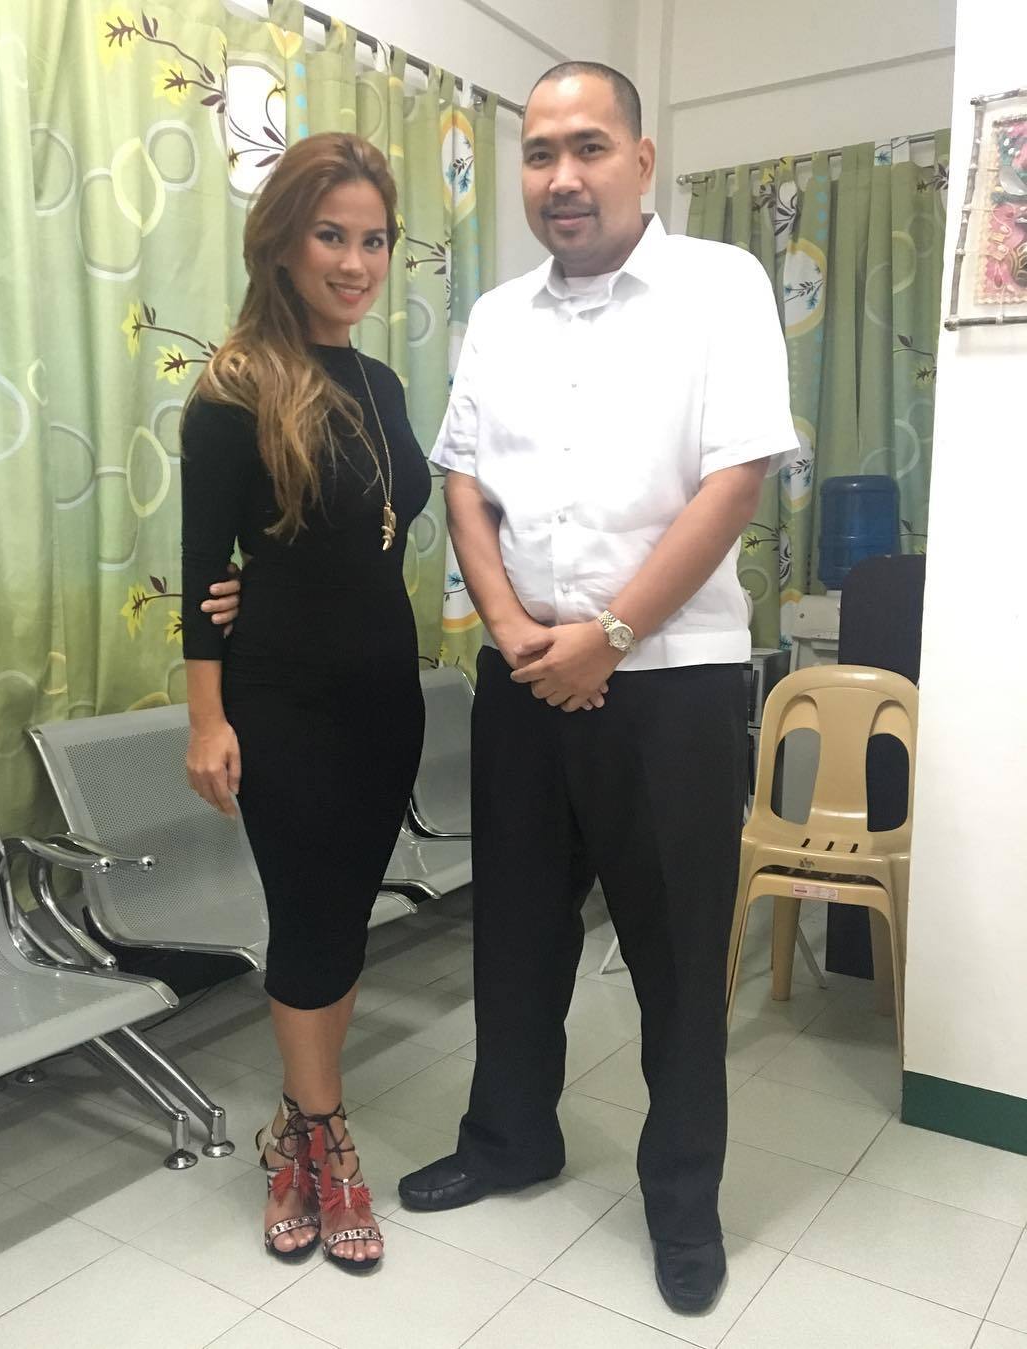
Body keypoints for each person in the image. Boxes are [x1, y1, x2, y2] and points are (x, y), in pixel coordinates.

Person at [393, 63, 798, 1314]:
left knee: (675, 951)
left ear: (642, 158)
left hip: (670, 680)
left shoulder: (721, 285)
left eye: (588, 148)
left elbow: (736, 478)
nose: (561, 177)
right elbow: (464, 481)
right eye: (539, 154)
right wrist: (516, 628)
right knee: (515, 929)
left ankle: (682, 1201)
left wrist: (610, 635)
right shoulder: (498, 315)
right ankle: (512, 1138)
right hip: (522, 672)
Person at [180, 132, 430, 1272]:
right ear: (282, 243)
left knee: (344, 913)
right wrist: (207, 719)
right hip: (282, 700)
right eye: (332, 235)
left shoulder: (382, 384)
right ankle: (321, 1142)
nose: (356, 261)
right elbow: (202, 576)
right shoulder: (233, 388)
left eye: (374, 239)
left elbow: (372, 534)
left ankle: (296, 1118)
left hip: (385, 694)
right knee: (306, 917)